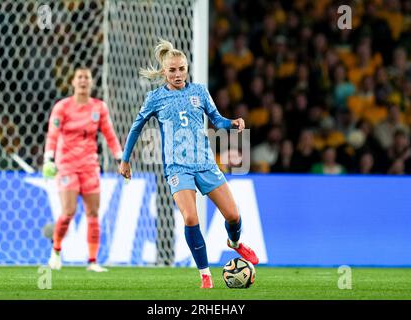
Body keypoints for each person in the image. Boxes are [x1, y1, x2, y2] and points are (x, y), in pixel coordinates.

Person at [118, 39, 259, 289]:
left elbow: (216, 119)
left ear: (187, 68)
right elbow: (136, 127)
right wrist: (125, 159)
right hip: (177, 168)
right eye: (172, 70)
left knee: (233, 215)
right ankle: (205, 275)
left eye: (181, 69)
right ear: (164, 72)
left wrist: (232, 123)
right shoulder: (155, 98)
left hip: (204, 163)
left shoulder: (200, 92)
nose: (178, 74)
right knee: (191, 217)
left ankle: (235, 244)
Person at [43, 67, 123, 272]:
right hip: (67, 165)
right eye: (79, 77)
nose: (83, 81)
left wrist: (120, 157)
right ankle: (56, 252)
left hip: (90, 166)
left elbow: (110, 135)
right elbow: (52, 134)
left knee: (93, 212)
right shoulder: (62, 107)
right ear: (73, 82)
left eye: (86, 78)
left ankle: (93, 261)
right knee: (68, 211)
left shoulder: (99, 108)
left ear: (91, 83)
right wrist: (49, 158)